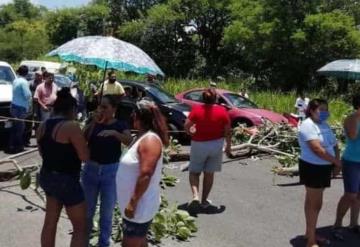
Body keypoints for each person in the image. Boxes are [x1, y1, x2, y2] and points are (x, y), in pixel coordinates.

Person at [36, 88, 89, 247]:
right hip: (66, 179)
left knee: (50, 222)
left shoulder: (43, 125)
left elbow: (42, 152)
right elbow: (84, 156)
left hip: (47, 176)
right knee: (81, 227)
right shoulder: (71, 127)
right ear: (72, 109)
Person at [116, 99, 169, 247]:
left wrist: (133, 203)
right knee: (140, 242)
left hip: (140, 207)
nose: (131, 116)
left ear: (139, 118)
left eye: (134, 114)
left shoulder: (150, 140)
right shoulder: (141, 137)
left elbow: (146, 174)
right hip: (135, 208)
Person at [82, 95, 132, 247]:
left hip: (110, 172)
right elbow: (83, 137)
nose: (101, 109)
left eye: (105, 107)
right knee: (88, 211)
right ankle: (84, 241)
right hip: (91, 169)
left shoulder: (120, 124)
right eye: (100, 106)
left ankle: (103, 243)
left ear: (114, 109)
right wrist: (93, 123)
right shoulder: (93, 122)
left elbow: (129, 141)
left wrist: (115, 134)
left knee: (107, 211)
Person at [298, 99, 341, 247]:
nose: (324, 113)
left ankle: (309, 233)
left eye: (326, 109)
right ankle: (311, 241)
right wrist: (337, 163)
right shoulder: (307, 125)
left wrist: (336, 161)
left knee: (312, 202)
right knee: (315, 204)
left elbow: (335, 145)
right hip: (312, 167)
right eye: (321, 109)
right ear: (311, 110)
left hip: (324, 168)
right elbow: (317, 149)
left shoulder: (325, 125)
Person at [184, 88, 232, 214]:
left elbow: (186, 125)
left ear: (203, 98)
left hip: (199, 144)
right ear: (215, 98)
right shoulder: (222, 111)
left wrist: (190, 132)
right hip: (216, 144)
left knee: (194, 172)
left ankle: (195, 196)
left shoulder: (197, 110)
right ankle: (204, 201)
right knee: (209, 174)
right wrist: (228, 146)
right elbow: (228, 131)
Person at [333, 95, 360, 239]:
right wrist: (358, 116)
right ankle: (337, 224)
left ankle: (354, 223)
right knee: (350, 194)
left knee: (359, 195)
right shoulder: (351, 119)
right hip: (352, 161)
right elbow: (353, 136)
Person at [8, 65, 32, 154]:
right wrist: (29, 106)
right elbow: (27, 95)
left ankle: (11, 145)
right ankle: (19, 146)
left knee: (15, 127)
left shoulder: (15, 80)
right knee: (20, 128)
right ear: (26, 73)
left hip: (13, 106)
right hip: (20, 108)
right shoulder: (24, 82)